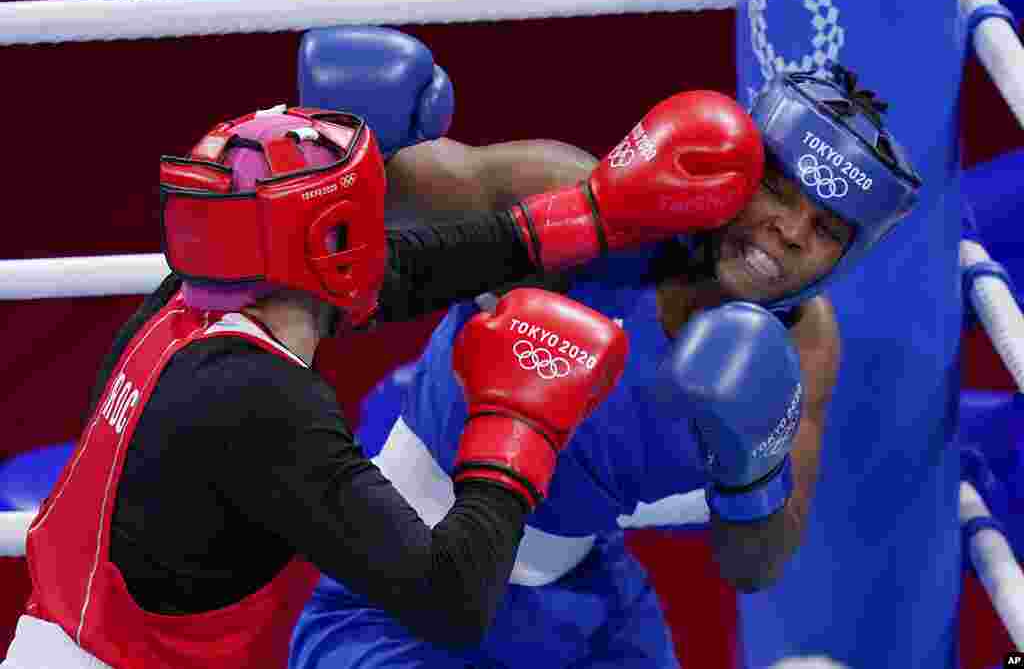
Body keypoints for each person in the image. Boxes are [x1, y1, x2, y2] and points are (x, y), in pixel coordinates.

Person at [2, 74, 763, 667]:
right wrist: (515, 432)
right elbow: (448, 599)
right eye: (365, 216)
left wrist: (587, 216)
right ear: (324, 246)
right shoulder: (265, 405)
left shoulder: (187, 305)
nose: (385, 227)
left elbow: (394, 272)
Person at [289, 64, 923, 668]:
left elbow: (757, 564)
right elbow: (393, 188)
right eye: (779, 192)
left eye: (826, 229)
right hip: (397, 579)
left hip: (579, 610)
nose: (789, 231)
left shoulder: (804, 341)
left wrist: (751, 473)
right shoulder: (587, 198)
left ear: (846, 258)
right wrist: (352, 133)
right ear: (743, 166)